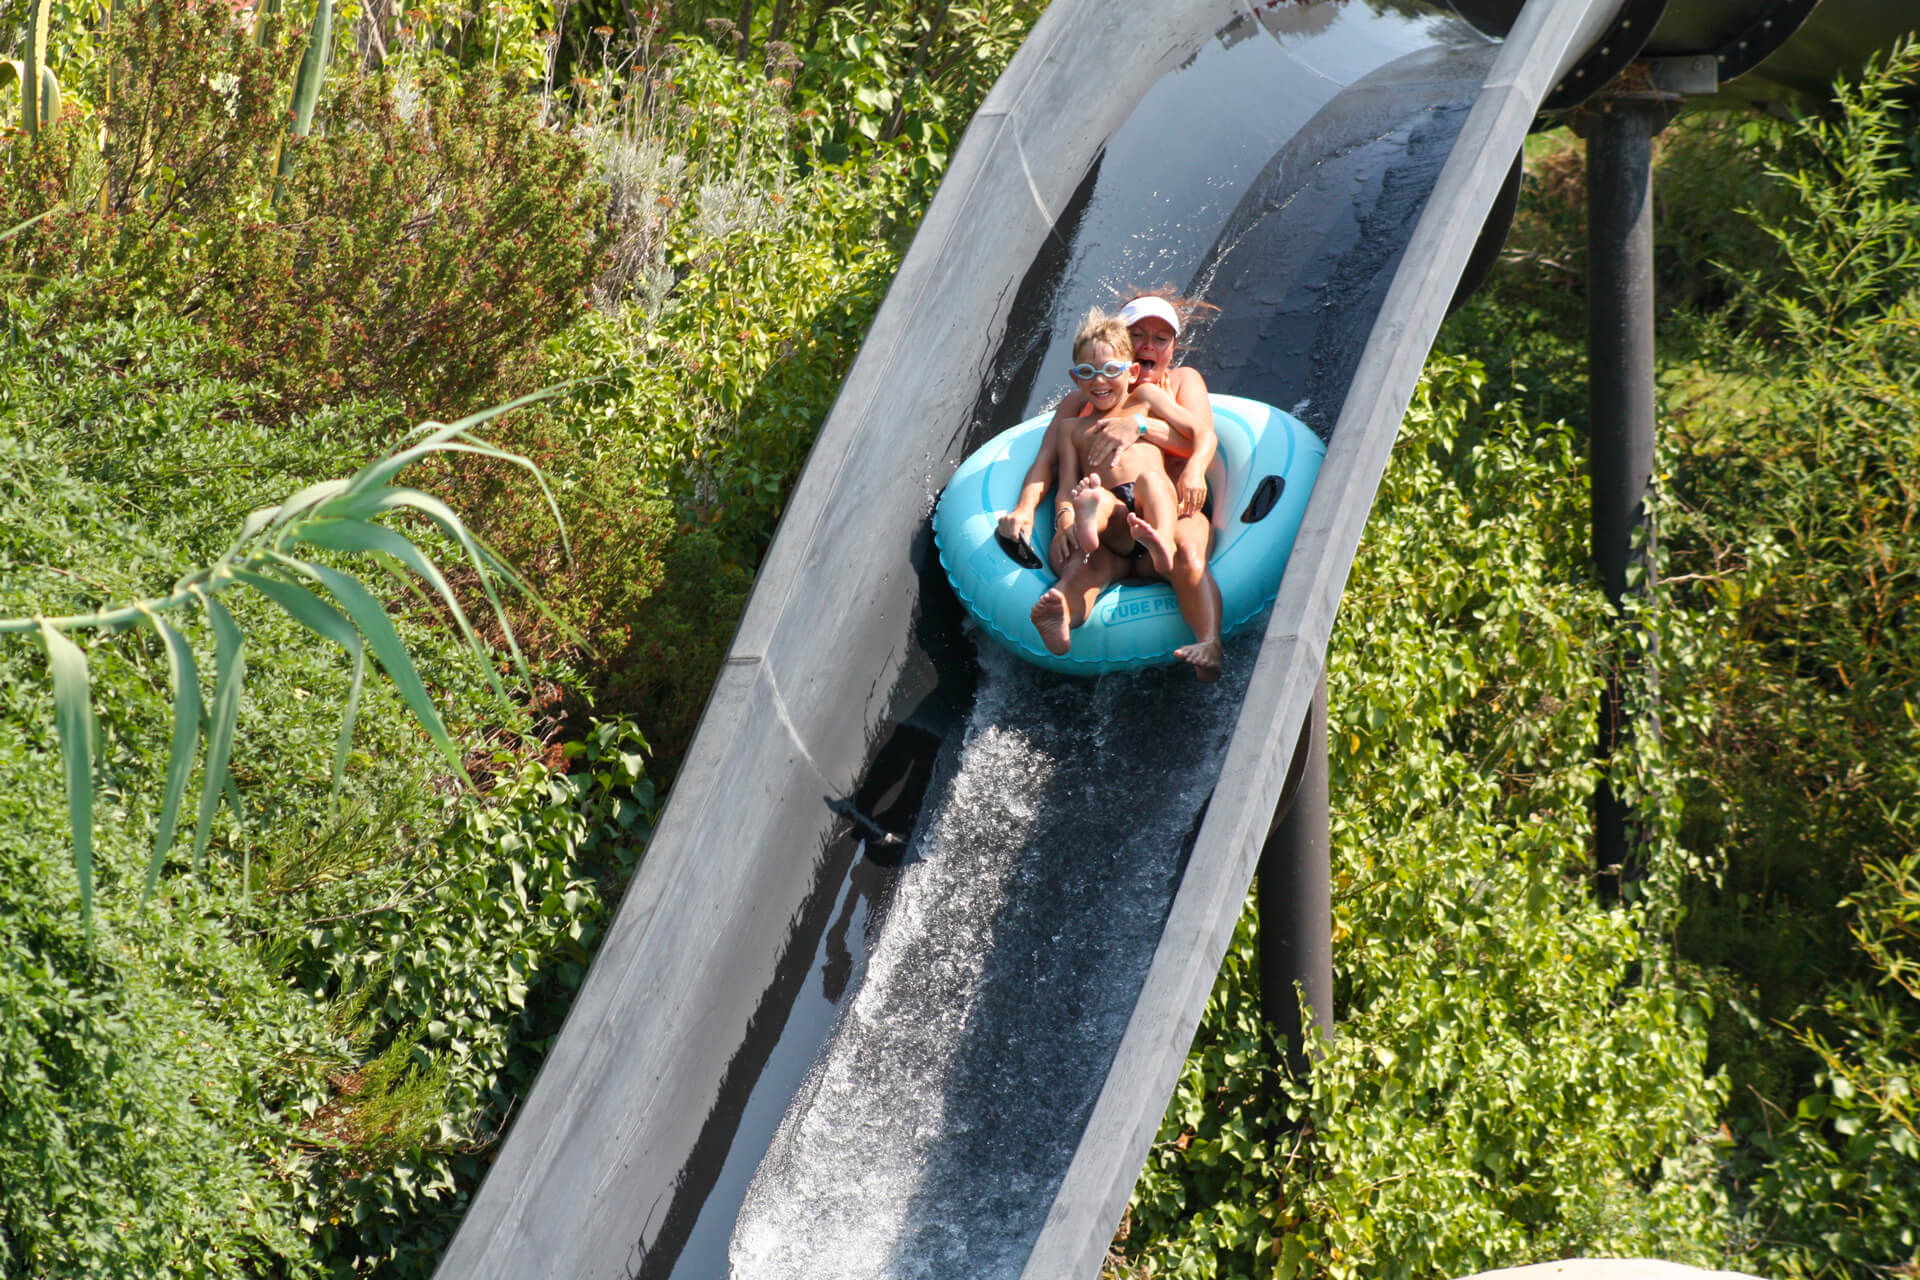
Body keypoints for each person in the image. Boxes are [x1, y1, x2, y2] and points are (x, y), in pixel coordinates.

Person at [997, 292, 1225, 681]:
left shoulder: (1171, 386)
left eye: (1161, 338)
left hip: (1167, 510)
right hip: (1113, 530)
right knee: (1086, 550)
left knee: (1178, 535)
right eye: (1138, 336)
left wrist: (1140, 427)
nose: (1149, 346)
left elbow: (1200, 437)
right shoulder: (1076, 412)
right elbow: (1051, 467)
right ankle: (1062, 612)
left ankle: (1207, 639)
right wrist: (1042, 513)